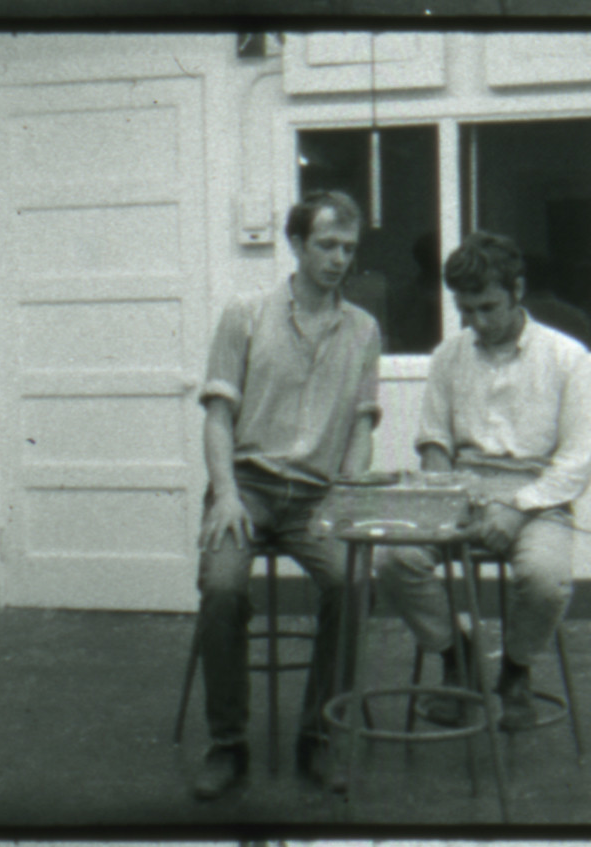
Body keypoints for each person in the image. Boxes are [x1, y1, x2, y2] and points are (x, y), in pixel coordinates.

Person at [192, 190, 382, 800]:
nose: (338, 259)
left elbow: (361, 426)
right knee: (223, 589)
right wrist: (225, 495)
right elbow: (218, 416)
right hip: (247, 485)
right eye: (326, 245)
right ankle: (227, 743)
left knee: (353, 583)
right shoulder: (245, 314)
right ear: (297, 244)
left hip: (318, 496)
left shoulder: (363, 330)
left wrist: (346, 497)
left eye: (348, 248)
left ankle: (318, 735)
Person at [375, 230, 591, 731]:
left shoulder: (566, 356)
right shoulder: (448, 355)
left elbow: (577, 461)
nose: (477, 321)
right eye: (466, 310)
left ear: (517, 290)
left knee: (544, 579)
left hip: (537, 496)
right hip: (460, 488)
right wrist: (442, 496)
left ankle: (515, 673)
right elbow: (434, 439)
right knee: (392, 560)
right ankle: (457, 658)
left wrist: (516, 508)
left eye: (488, 307)